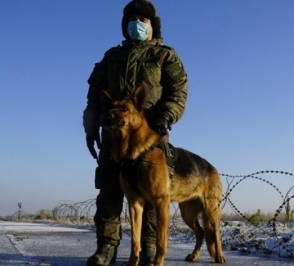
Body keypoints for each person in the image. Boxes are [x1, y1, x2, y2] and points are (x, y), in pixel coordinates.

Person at [83, 0, 187, 265]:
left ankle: (149, 248)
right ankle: (106, 248)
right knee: (109, 190)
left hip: (151, 138)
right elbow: (94, 95)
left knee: (153, 195)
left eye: (143, 20)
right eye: (132, 19)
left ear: (153, 26)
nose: (137, 24)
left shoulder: (165, 55)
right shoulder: (111, 57)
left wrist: (167, 115)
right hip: (114, 136)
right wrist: (90, 124)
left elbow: (178, 91)